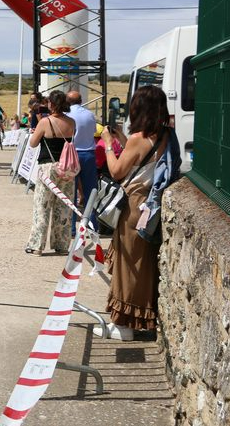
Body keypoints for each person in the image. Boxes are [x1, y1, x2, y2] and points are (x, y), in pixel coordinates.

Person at [96, 85, 179, 340]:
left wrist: (110, 145)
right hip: (152, 206)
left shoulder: (138, 138)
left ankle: (123, 326)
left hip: (133, 206)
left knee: (127, 265)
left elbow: (117, 171)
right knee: (144, 266)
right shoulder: (166, 134)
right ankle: (141, 319)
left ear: (138, 108)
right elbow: (146, 161)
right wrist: (123, 139)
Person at [24, 90, 76, 255]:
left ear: (51, 104)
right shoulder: (72, 122)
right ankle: (61, 245)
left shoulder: (46, 122)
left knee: (42, 205)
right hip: (67, 167)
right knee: (63, 206)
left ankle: (37, 245)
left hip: (48, 167)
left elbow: (33, 143)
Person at [65, 90, 99, 233]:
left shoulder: (66, 115)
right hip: (89, 153)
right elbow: (93, 132)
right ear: (81, 100)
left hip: (72, 154)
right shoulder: (90, 115)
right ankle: (92, 225)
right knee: (91, 191)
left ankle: (71, 227)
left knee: (71, 193)